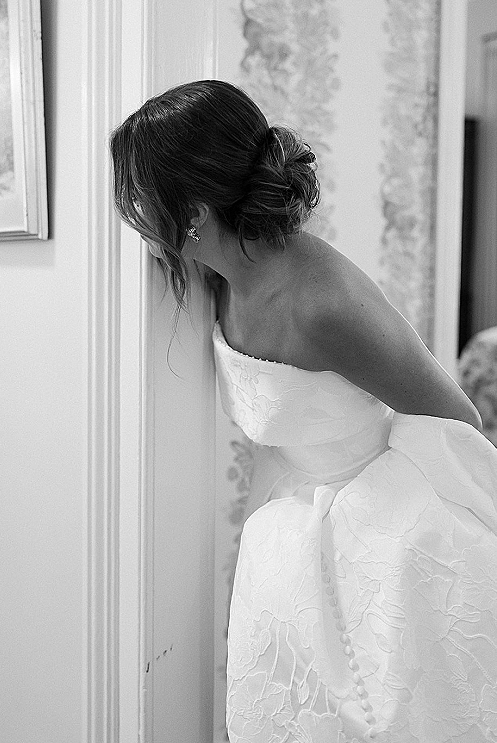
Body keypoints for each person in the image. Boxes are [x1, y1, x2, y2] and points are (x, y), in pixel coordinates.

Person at [110, 79, 497, 743]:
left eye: (143, 201)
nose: (138, 219)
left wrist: (398, 535)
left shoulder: (323, 304)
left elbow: (458, 415)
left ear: (197, 213)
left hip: (390, 531)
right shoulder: (217, 272)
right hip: (291, 527)